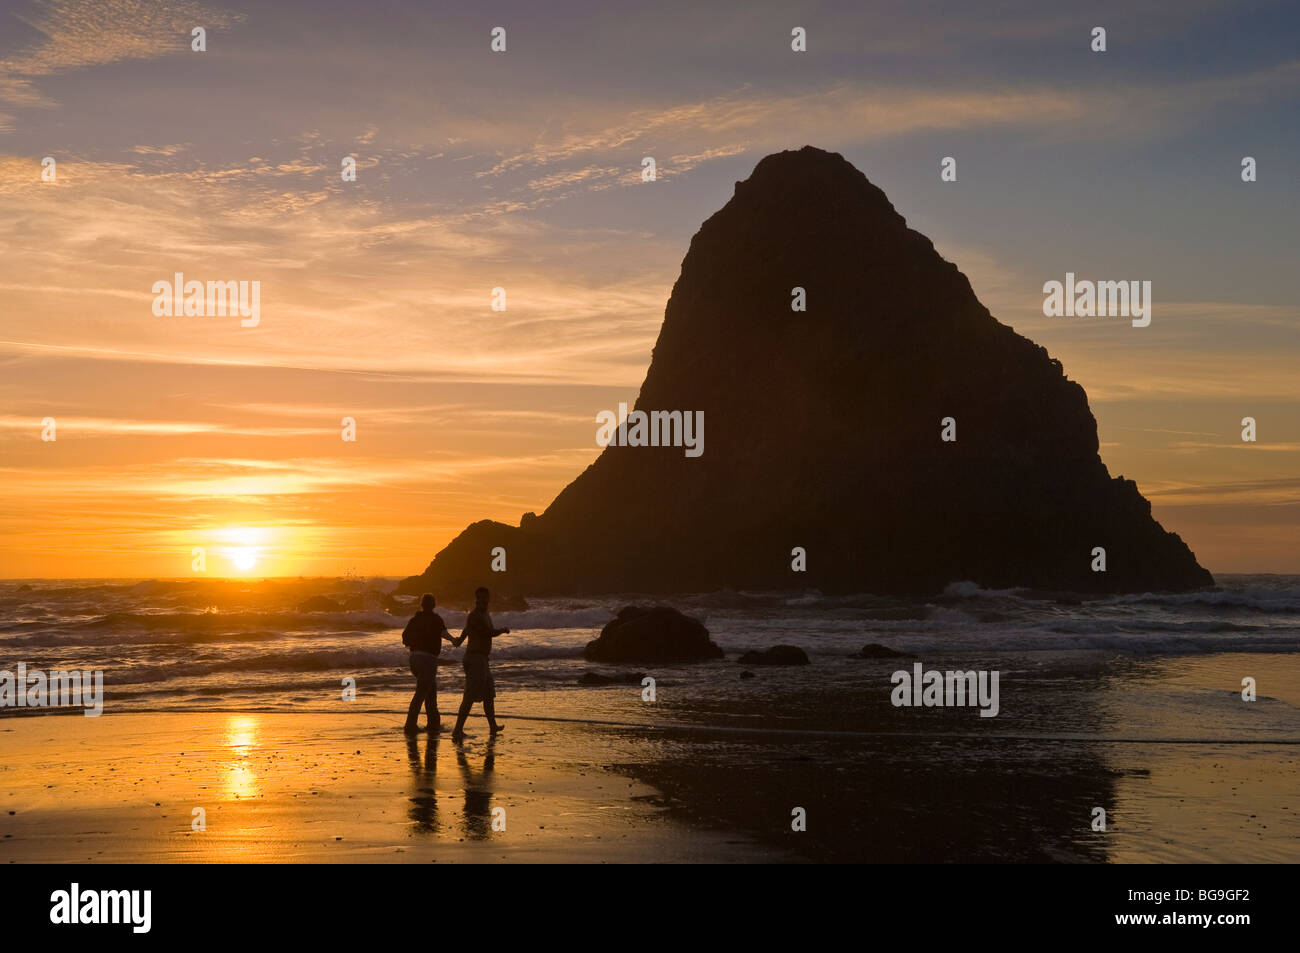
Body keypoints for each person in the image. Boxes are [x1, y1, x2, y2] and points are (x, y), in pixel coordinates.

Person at [450, 586, 510, 743]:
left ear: (488, 599)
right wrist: (502, 630)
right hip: (475, 659)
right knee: (469, 696)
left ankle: (493, 726)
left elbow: (467, 629)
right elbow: (487, 632)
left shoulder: (484, 614)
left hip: (483, 660)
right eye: (480, 598)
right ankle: (457, 730)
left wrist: (460, 640)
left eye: (485, 597)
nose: (483, 600)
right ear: (476, 599)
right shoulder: (475, 615)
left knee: (489, 694)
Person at [402, 593, 457, 734]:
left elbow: (405, 638)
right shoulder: (436, 619)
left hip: (414, 659)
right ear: (433, 605)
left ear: (422, 604)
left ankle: (433, 724)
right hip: (428, 660)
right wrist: (455, 641)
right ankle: (410, 725)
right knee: (421, 693)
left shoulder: (414, 620)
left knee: (430, 692)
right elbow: (445, 634)